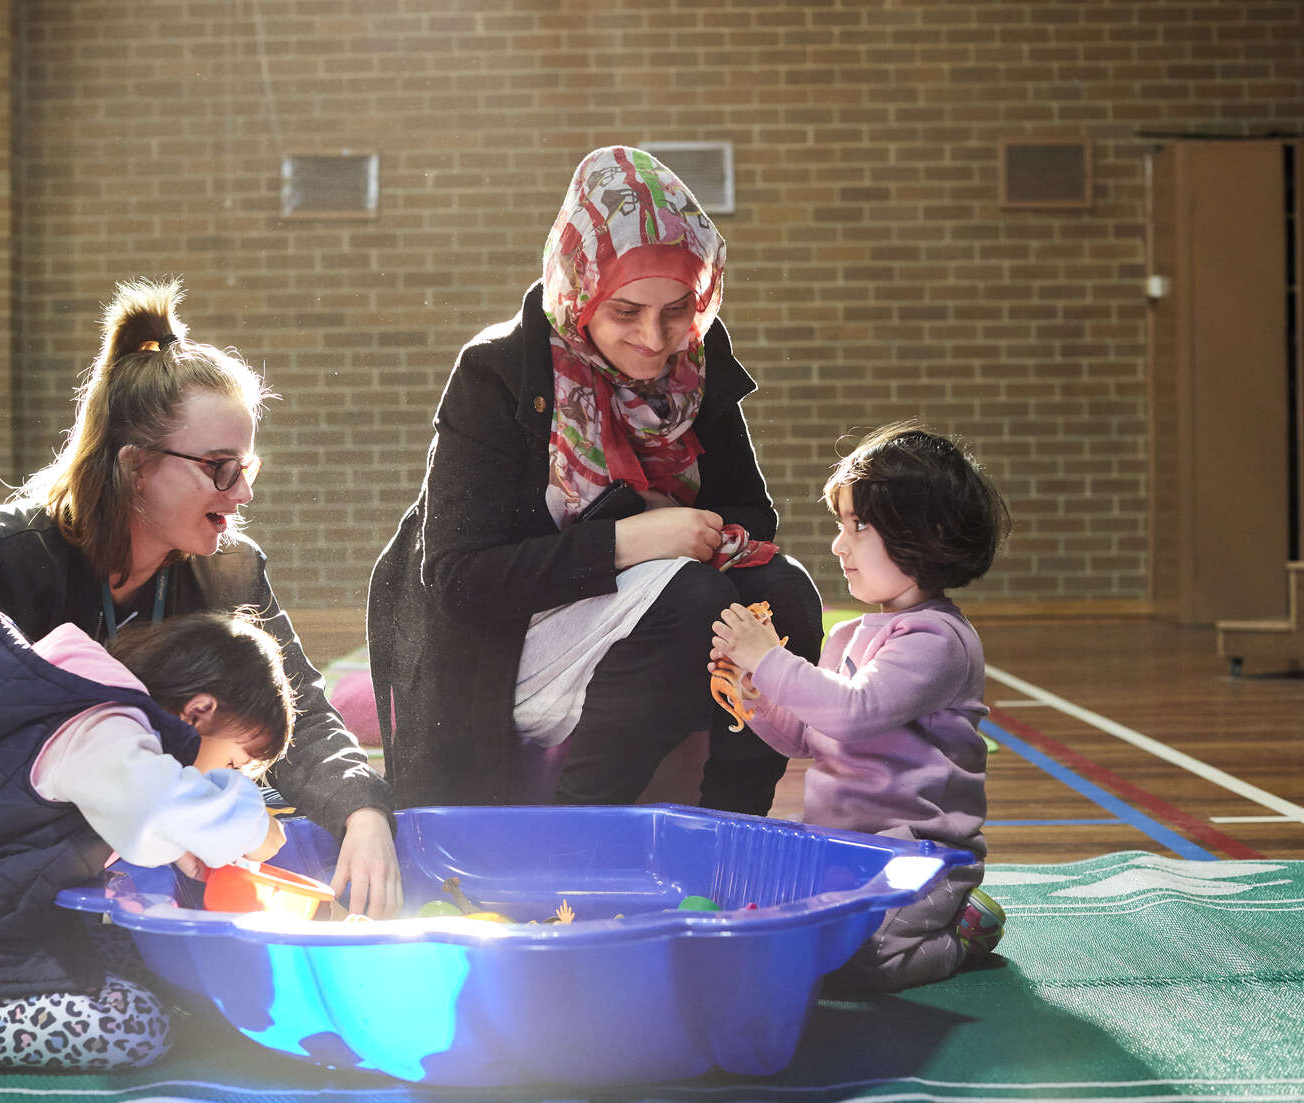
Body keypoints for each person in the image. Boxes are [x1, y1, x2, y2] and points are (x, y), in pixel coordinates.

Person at [0, 278, 402, 919]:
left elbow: (300, 714)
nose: (243, 494)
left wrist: (364, 810)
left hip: (144, 842)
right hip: (12, 834)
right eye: (220, 467)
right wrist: (131, 816)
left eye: (248, 468)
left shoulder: (230, 571)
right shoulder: (4, 556)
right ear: (135, 466)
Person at [368, 146, 824, 812]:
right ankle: (577, 829)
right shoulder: (497, 373)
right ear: (581, 291)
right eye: (627, 311)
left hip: (631, 611)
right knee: (695, 597)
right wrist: (635, 536)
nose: (655, 338)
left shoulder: (694, 358)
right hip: (500, 643)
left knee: (787, 591)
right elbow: (462, 581)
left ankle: (733, 821)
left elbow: (753, 518)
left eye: (677, 309)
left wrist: (667, 523)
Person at [0, 609, 295, 1068]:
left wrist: (189, 850)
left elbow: (136, 824)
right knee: (133, 1024)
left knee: (145, 962)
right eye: (234, 765)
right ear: (199, 711)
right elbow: (156, 806)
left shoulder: (103, 722)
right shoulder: (104, 725)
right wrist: (252, 824)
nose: (236, 781)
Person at [709, 421, 1012, 993]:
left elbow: (852, 711)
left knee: (861, 961)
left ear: (929, 534)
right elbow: (809, 733)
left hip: (918, 858)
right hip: (841, 850)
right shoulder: (848, 635)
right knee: (787, 931)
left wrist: (768, 658)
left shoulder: (938, 641)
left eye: (859, 525)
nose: (837, 543)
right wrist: (756, 696)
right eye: (840, 524)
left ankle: (962, 933)